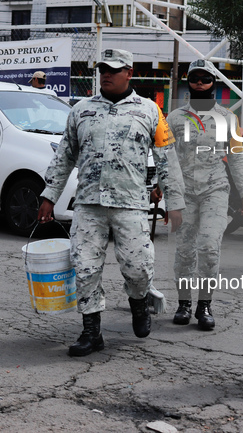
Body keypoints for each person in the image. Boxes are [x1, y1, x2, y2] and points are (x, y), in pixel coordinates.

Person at [37, 48, 185, 356]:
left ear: (129, 73)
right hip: (89, 204)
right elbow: (65, 155)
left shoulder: (149, 111)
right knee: (86, 268)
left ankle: (139, 301)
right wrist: (49, 195)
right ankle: (91, 331)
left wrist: (174, 201)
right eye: (103, 68)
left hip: (131, 203)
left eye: (113, 69)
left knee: (138, 268)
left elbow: (167, 159)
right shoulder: (81, 110)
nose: (106, 74)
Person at [166, 59, 243, 330]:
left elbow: (236, 158)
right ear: (188, 81)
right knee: (185, 252)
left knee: (210, 248)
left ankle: (204, 305)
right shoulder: (175, 118)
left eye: (205, 78)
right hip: (184, 193)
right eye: (195, 78)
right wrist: (164, 190)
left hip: (215, 190)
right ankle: (184, 303)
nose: (200, 83)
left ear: (214, 82)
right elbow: (168, 159)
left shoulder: (228, 117)